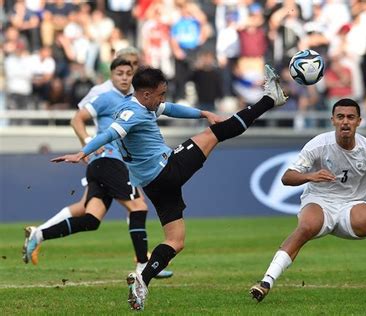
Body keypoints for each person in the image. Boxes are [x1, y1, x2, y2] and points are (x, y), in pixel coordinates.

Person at [50, 64, 288, 310]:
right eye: (160, 94)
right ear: (146, 94)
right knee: (216, 133)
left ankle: (143, 279)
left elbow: (170, 109)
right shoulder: (134, 113)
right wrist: (82, 152)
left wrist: (202, 112)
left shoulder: (140, 104)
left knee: (176, 240)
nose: (163, 99)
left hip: (154, 184)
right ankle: (270, 99)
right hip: (167, 170)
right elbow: (110, 134)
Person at [249, 98, 366, 305]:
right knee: (306, 226)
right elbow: (287, 177)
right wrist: (310, 176)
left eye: (350, 117)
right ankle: (266, 282)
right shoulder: (319, 145)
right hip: (319, 201)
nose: (345, 122)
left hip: (351, 205)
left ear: (359, 121)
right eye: (340, 117)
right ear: (333, 120)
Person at [22, 47, 173, 278]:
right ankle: (143, 264)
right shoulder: (103, 95)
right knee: (138, 207)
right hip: (110, 161)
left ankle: (40, 235)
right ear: (111, 75)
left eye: (128, 72)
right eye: (119, 72)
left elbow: (165, 109)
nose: (124, 77)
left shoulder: (136, 99)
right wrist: (89, 144)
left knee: (91, 219)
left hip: (102, 165)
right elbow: (78, 119)